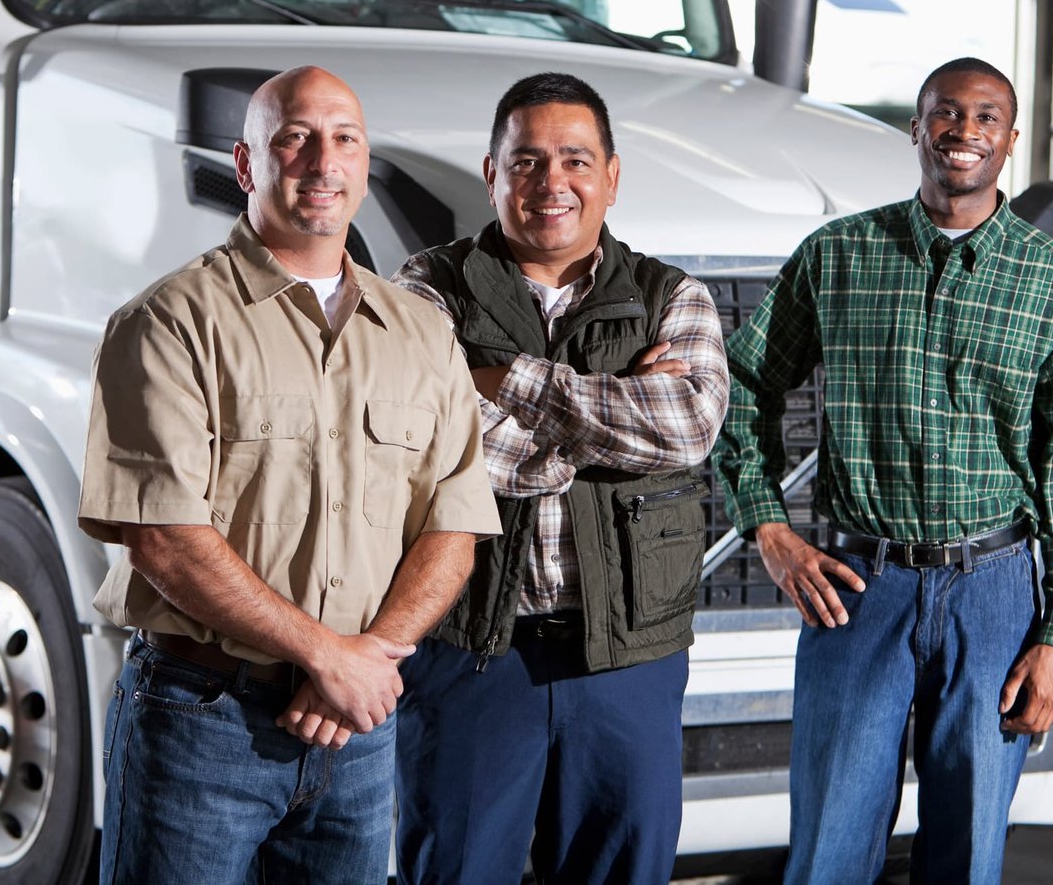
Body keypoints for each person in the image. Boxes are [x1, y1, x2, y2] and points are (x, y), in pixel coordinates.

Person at [77, 65, 499, 884]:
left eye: (343, 139)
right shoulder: (169, 323)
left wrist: (364, 660)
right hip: (204, 723)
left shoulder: (420, 333)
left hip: (358, 735)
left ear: (365, 161)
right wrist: (327, 657)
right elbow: (164, 538)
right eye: (294, 139)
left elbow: (455, 528)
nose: (321, 161)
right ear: (246, 166)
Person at [715, 56, 1053, 884]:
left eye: (985, 118)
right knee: (828, 845)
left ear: (1009, 141)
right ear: (917, 127)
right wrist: (768, 528)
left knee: (967, 854)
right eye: (945, 112)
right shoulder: (840, 257)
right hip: (859, 587)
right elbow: (739, 385)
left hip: (999, 594)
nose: (963, 131)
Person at [392, 71, 730, 885]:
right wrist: (614, 423)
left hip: (626, 660)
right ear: (491, 174)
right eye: (528, 162)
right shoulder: (423, 290)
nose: (553, 184)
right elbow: (432, 443)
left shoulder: (671, 296)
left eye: (576, 161)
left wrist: (507, 381)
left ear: (612, 176)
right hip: (473, 652)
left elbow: (687, 428)